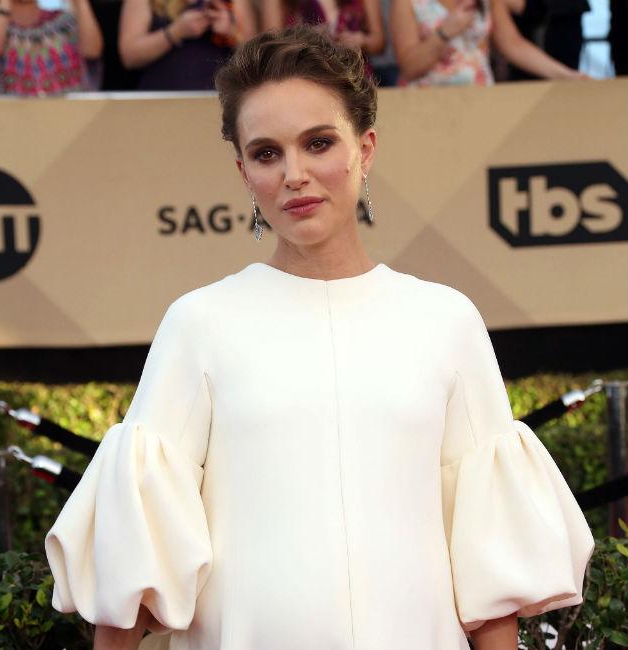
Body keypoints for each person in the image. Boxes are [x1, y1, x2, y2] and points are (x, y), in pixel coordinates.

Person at [45, 25, 595, 650]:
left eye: (318, 143)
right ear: (243, 171)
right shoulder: (199, 323)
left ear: (366, 147)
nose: (295, 174)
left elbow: (487, 557)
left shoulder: (447, 320)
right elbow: (137, 557)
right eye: (267, 153)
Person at [390, 0, 584, 87]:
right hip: (427, 104)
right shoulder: (407, 2)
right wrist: (444, 33)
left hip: (480, 98)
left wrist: (566, 75)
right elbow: (409, 66)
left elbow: (512, 44)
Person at [118, 0, 257, 91]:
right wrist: (176, 32)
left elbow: (255, 58)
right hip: (159, 100)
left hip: (218, 103)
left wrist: (231, 33)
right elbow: (129, 56)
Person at [0, 0, 103, 95]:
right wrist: (4, 4)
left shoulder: (65, 22)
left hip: (65, 114)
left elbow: (92, 51)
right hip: (4, 116)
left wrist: (81, 3)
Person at [261, 0, 385, 58]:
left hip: (352, 75)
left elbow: (379, 42)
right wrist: (306, 38)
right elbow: (271, 46)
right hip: (301, 73)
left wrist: (361, 41)